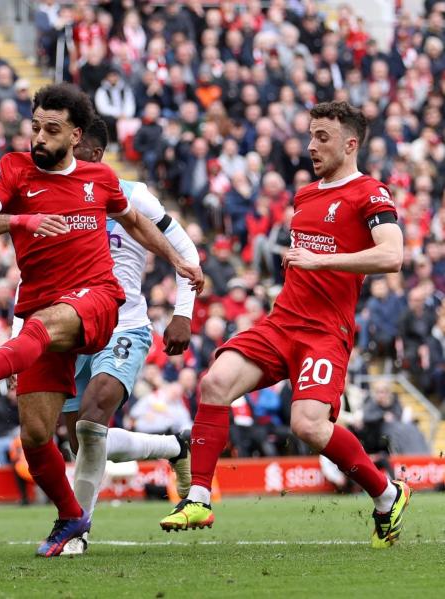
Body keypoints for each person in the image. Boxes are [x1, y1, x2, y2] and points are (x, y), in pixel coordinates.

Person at [0, 84, 204, 557]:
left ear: (75, 135)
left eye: (51, 130)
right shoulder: (14, 169)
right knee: (37, 435)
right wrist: (20, 221)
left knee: (58, 345)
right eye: (34, 127)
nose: (39, 138)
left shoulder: (103, 179)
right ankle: (72, 516)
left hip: (102, 302)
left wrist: (179, 263)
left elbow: (134, 222)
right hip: (38, 310)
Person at [159, 101, 411, 550]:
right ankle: (198, 497)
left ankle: (387, 494)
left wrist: (323, 260)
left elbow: (392, 256)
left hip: (324, 332)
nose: (311, 145)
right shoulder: (306, 194)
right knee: (214, 383)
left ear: (351, 144)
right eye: (311, 135)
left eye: (323, 138)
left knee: (308, 426)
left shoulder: (370, 193)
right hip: (281, 323)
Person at [68, 117, 200, 534]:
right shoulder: (53, 197)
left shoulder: (134, 196)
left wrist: (183, 311)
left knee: (92, 420)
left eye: (71, 150)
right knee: (84, 441)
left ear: (93, 153)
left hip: (123, 326)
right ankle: (173, 446)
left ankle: (76, 529)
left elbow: (184, 250)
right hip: (71, 331)